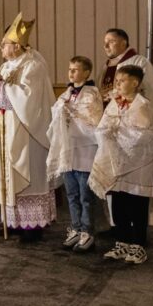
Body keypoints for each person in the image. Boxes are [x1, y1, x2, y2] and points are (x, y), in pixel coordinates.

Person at [0, 13, 57, 243]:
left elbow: (28, 100)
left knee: (28, 175)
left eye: (4, 44)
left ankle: (32, 226)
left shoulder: (33, 65)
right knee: (9, 176)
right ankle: (12, 222)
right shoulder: (6, 66)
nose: (1, 47)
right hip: (7, 129)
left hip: (28, 132)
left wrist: (2, 87)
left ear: (16, 45)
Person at [96, 28, 153, 233]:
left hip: (133, 132)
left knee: (134, 185)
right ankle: (116, 225)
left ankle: (136, 229)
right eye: (105, 41)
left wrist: (116, 94)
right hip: (112, 130)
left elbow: (147, 92)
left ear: (124, 42)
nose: (106, 45)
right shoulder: (106, 66)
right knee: (112, 179)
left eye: (111, 41)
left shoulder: (139, 62)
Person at [90, 65, 153, 265]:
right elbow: (102, 126)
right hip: (116, 161)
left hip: (138, 163)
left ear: (135, 83)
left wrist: (117, 132)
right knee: (118, 203)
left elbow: (143, 134)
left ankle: (138, 246)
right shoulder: (115, 103)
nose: (117, 84)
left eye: (122, 81)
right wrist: (106, 132)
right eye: (117, 81)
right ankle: (122, 241)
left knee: (136, 204)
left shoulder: (143, 105)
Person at [47, 55, 103, 252]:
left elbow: (94, 120)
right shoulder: (67, 93)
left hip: (86, 150)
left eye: (75, 70)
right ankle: (76, 228)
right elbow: (56, 114)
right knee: (71, 194)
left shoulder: (92, 94)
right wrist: (61, 110)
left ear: (86, 73)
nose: (71, 73)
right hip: (68, 150)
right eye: (70, 69)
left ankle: (88, 231)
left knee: (85, 196)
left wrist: (72, 112)